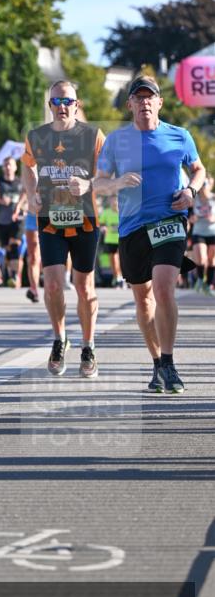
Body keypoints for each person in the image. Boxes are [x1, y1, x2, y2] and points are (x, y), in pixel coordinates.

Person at [95, 75, 205, 393]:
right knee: (143, 299)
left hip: (170, 221)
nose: (144, 102)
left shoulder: (180, 136)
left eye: (149, 97)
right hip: (132, 227)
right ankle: (157, 363)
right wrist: (117, 183)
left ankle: (169, 363)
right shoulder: (117, 141)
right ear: (129, 104)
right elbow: (99, 182)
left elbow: (199, 169)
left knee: (163, 287)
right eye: (138, 97)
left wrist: (191, 191)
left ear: (160, 102)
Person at [22, 80, 105, 378]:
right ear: (50, 106)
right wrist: (31, 193)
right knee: (54, 285)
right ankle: (59, 339)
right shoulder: (37, 136)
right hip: (50, 220)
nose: (62, 107)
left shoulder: (94, 136)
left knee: (84, 287)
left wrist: (89, 184)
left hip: (85, 220)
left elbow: (109, 174)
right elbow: (27, 166)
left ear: (77, 105)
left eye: (67, 101)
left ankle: (88, 345)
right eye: (56, 102)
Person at [0, 155, 26, 288]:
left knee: (14, 245)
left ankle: (14, 276)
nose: (8, 167)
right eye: (6, 165)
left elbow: (26, 194)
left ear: (15, 167)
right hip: (3, 220)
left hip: (18, 219)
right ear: (3, 167)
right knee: (7, 248)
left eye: (10, 165)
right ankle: (10, 274)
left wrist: (20, 205)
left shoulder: (20, 182)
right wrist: (0, 200)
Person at [190, 175, 215, 295]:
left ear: (211, 185)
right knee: (201, 257)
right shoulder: (194, 199)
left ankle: (208, 285)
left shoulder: (213, 198)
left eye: (206, 184)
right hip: (199, 231)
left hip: (213, 232)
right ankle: (200, 279)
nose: (204, 186)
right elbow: (188, 214)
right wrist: (191, 218)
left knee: (211, 260)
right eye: (203, 184)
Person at [98, 196, 123, 287]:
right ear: (109, 201)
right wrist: (103, 227)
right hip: (110, 239)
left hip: (122, 239)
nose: (114, 202)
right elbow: (101, 223)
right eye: (112, 200)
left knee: (121, 259)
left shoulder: (123, 211)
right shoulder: (106, 212)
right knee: (113, 260)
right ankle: (116, 278)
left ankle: (121, 277)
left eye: (116, 200)